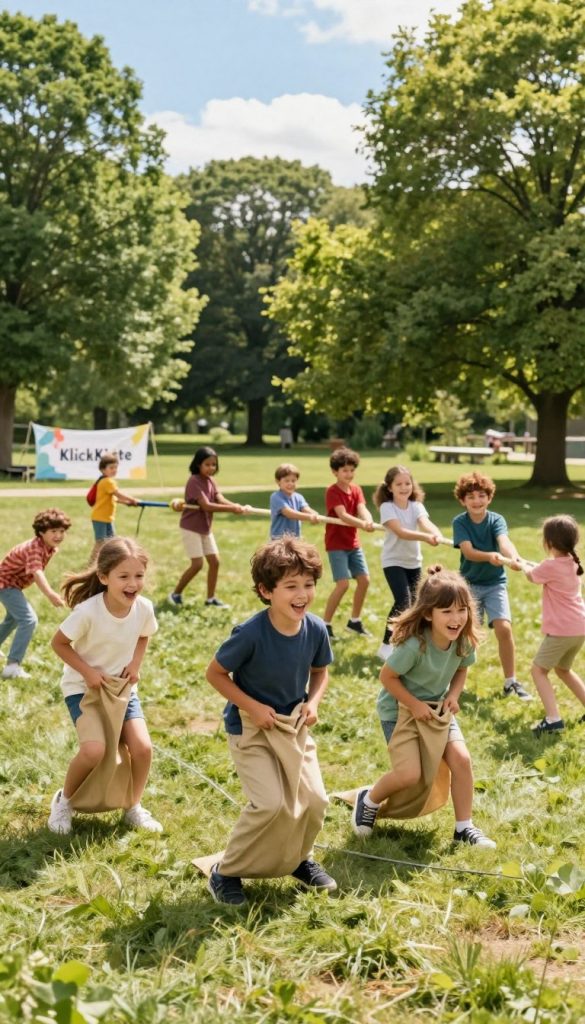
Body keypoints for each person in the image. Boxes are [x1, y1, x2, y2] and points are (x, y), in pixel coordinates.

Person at [205, 536, 336, 905]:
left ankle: (299, 859)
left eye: (308, 585)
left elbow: (320, 672)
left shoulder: (315, 628)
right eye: (290, 586)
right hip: (252, 728)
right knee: (271, 805)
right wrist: (253, 707)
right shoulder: (250, 633)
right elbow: (214, 674)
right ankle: (226, 871)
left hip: (293, 725)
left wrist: (313, 702)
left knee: (314, 800)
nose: (302, 594)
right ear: (266, 590)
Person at [352, 566, 496, 848]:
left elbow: (461, 670)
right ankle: (368, 800)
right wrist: (414, 704)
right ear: (429, 614)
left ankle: (463, 828)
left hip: (437, 710)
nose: (456, 619)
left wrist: (454, 695)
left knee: (462, 760)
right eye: (447, 612)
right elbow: (387, 677)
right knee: (409, 774)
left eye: (462, 610)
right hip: (399, 711)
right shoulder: (414, 646)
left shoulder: (464, 640)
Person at [48, 536, 161, 835]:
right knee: (94, 750)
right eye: (123, 576)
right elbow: (58, 643)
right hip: (82, 689)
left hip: (122, 690)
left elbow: (143, 635)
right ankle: (64, 801)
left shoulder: (144, 608)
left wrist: (135, 664)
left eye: (138, 576)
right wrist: (87, 672)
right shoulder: (87, 612)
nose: (133, 583)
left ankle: (133, 807)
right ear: (103, 577)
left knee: (142, 747)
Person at [452, 472, 531, 700]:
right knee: (463, 636)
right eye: (471, 497)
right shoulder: (460, 522)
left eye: (481, 495)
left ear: (489, 498)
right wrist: (490, 556)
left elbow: (505, 542)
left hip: (495, 584)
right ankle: (450, 681)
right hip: (469, 585)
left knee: (504, 628)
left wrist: (514, 557)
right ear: (462, 500)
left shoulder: (496, 519)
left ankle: (510, 681)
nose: (476, 501)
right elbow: (468, 551)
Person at [521, 515, 585, 736]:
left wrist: (520, 564)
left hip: (562, 630)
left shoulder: (549, 566)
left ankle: (553, 720)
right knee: (563, 669)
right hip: (579, 628)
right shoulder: (573, 562)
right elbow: (540, 571)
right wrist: (528, 565)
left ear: (548, 542)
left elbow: (532, 575)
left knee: (538, 670)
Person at [374, 466, 442, 661]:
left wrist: (435, 532)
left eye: (407, 483)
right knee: (402, 601)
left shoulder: (416, 506)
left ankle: (407, 642)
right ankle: (386, 645)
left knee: (414, 605)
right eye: (399, 484)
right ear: (389, 488)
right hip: (393, 561)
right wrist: (426, 537)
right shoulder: (387, 507)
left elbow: (425, 522)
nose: (404, 488)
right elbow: (401, 531)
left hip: (413, 562)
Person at [169, 446, 249, 608]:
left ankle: (210, 599)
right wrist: (232, 509)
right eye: (207, 464)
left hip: (205, 528)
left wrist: (236, 506)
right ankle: (175, 594)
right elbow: (206, 506)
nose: (211, 468)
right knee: (197, 564)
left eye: (214, 464)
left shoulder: (211, 480)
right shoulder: (194, 481)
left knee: (215, 562)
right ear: (198, 464)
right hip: (191, 527)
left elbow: (219, 498)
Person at [0, 508, 70, 679]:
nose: (58, 535)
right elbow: (37, 572)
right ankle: (12, 666)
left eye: (61, 531)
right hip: (5, 584)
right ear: (41, 532)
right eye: (53, 531)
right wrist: (51, 594)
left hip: (12, 585)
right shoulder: (34, 548)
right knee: (28, 620)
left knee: (13, 618)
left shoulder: (49, 547)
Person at [322, 446, 375, 640]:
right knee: (343, 584)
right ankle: (325, 624)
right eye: (344, 470)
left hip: (353, 543)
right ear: (335, 472)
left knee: (364, 580)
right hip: (336, 544)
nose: (349, 474)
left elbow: (362, 508)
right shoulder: (332, 491)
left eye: (352, 470)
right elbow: (343, 515)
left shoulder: (356, 490)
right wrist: (362, 524)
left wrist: (368, 520)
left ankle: (355, 621)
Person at [90, 452, 139, 553]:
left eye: (115, 468)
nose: (114, 470)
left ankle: (107, 562)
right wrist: (132, 499)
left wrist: (126, 503)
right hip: (100, 518)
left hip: (107, 518)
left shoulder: (105, 481)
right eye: (111, 468)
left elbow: (113, 499)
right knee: (100, 542)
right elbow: (117, 494)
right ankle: (92, 564)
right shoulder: (107, 481)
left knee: (112, 542)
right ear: (103, 469)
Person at [269, 463, 320, 540]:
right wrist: (309, 517)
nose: (290, 483)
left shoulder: (299, 497)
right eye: (287, 481)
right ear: (278, 481)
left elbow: (306, 509)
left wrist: (315, 515)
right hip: (279, 541)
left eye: (293, 481)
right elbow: (289, 513)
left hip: (295, 540)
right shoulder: (276, 497)